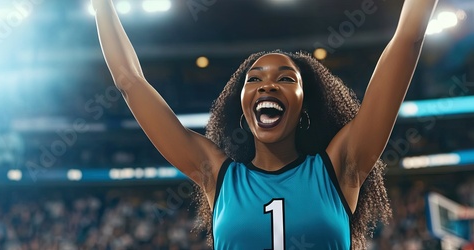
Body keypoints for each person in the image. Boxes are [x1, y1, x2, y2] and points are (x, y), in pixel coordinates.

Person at [92, 0, 438, 248]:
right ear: (241, 107)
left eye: (286, 79)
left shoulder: (341, 165)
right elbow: (129, 81)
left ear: (305, 105)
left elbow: (407, 40)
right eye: (254, 79)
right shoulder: (217, 175)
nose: (267, 85)